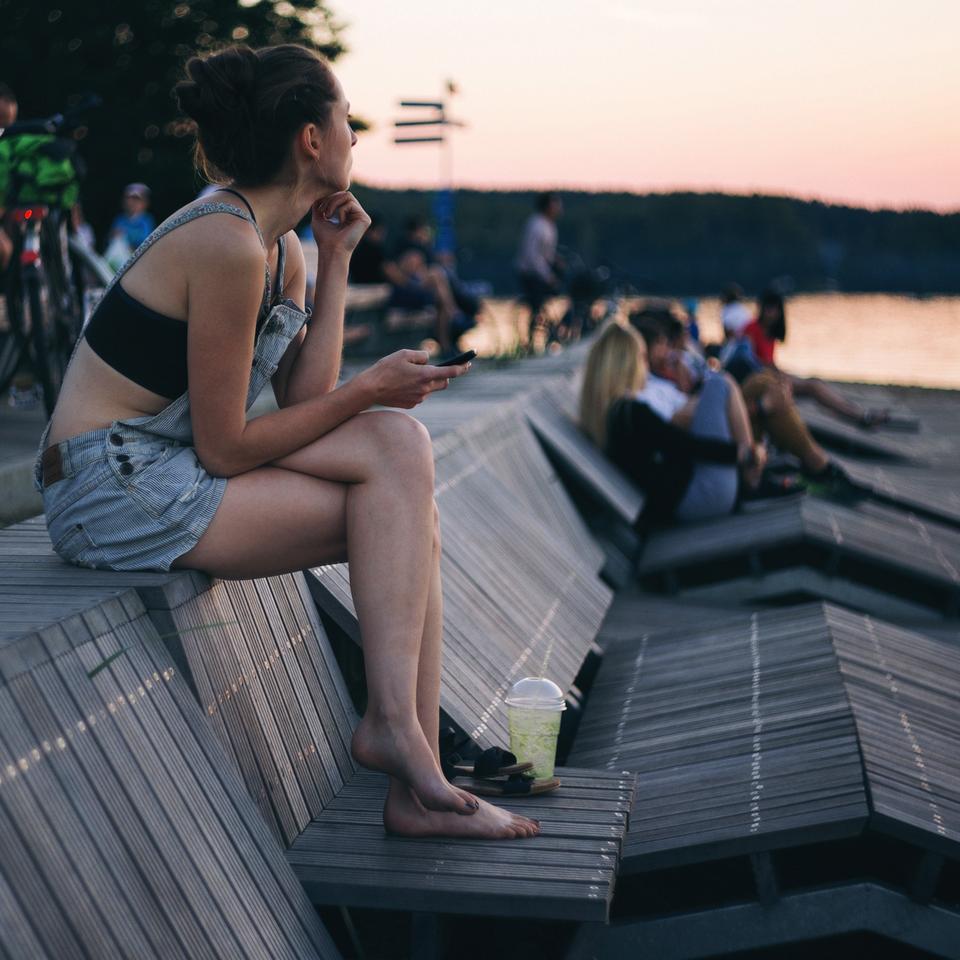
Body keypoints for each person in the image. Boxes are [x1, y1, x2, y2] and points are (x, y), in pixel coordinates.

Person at [34, 43, 537, 842]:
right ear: (310, 138)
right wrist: (369, 388)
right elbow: (227, 446)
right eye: (345, 121)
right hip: (107, 485)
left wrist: (336, 261)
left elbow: (306, 398)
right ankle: (404, 746)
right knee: (399, 502)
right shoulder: (225, 243)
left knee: (400, 455)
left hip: (164, 462)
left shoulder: (285, 247)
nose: (353, 138)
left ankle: (405, 749)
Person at [580, 321, 766, 526]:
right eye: (642, 358)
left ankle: (752, 474)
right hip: (701, 499)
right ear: (627, 364)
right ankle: (753, 477)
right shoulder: (631, 412)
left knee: (719, 385)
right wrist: (744, 453)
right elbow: (685, 446)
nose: (646, 366)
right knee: (719, 384)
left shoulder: (611, 414)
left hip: (685, 500)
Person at [744, 288, 889, 428]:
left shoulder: (769, 332)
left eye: (775, 309)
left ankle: (859, 412)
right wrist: (780, 373)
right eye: (769, 308)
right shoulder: (752, 329)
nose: (772, 313)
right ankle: (861, 416)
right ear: (762, 308)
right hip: (765, 380)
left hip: (774, 375)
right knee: (814, 387)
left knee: (816, 383)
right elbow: (751, 361)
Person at [515, 191, 562, 349]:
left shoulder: (550, 226)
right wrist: (547, 275)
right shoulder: (536, 225)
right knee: (536, 306)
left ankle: (542, 336)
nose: (559, 207)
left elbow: (546, 253)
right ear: (548, 206)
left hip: (539, 271)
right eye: (556, 204)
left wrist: (557, 261)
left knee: (543, 303)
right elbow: (532, 255)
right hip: (530, 273)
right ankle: (530, 342)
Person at [106, 182, 156, 255]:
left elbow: (146, 242)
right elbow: (110, 240)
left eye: (136, 199)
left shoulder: (147, 220)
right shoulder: (119, 219)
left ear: (145, 203)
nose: (131, 202)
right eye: (129, 198)